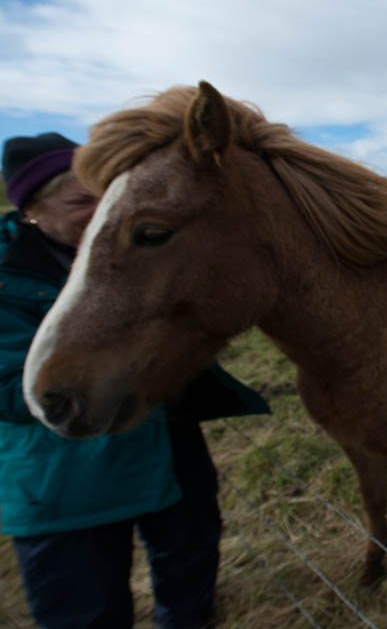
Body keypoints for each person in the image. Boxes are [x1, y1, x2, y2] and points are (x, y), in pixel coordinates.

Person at [0, 132, 270, 628]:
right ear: (33, 209)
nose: (102, 209)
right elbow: (11, 389)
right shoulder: (8, 277)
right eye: (82, 200)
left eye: (107, 194)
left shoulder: (123, 252)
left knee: (191, 594)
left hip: (168, 456)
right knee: (85, 612)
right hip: (67, 484)